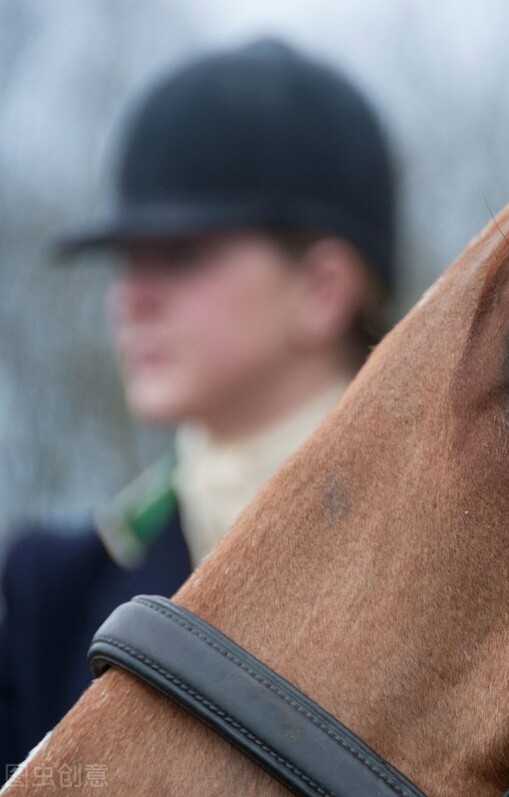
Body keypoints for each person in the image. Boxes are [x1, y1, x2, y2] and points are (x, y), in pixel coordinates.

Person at [0, 38, 397, 770]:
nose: (131, 297)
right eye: (126, 260)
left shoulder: (451, 558)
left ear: (323, 289)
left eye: (181, 253)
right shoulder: (50, 590)